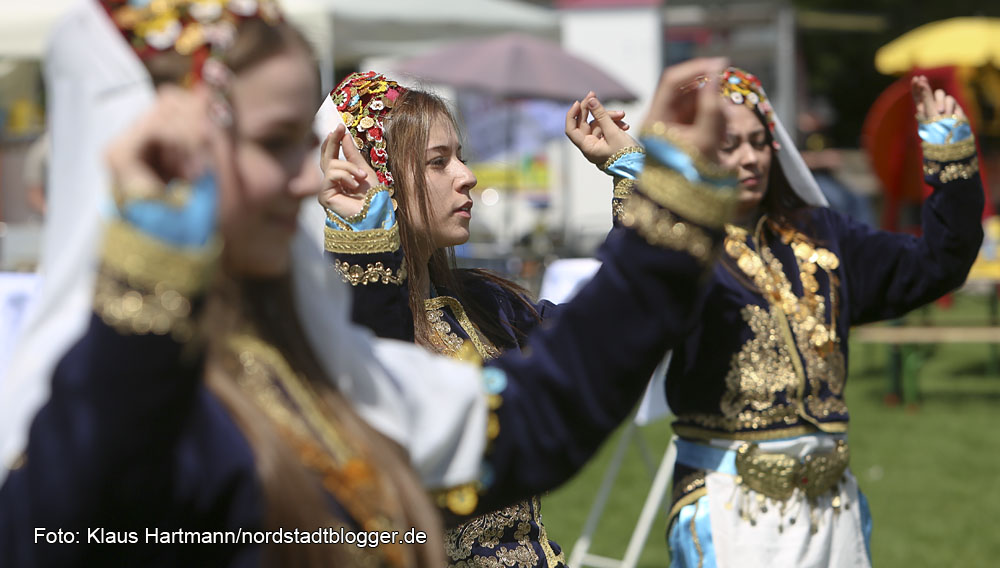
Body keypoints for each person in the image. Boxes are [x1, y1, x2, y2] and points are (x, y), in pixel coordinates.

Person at [0, 1, 743, 565]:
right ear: (155, 155)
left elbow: (539, 414)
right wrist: (147, 291)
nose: (307, 180)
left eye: (304, 143)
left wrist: (667, 208)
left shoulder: (319, 371)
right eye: (274, 143)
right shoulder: (101, 418)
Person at [572, 67, 983, 567]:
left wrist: (950, 158)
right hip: (730, 512)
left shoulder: (820, 235)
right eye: (728, 144)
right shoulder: (685, 247)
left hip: (833, 511)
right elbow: (636, 295)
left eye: (758, 141)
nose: (748, 157)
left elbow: (937, 265)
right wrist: (636, 169)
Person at [317, 73, 651, 567]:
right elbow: (383, 423)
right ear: (370, 177)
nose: (466, 175)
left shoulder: (487, 303)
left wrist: (639, 186)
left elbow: (606, 338)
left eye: (461, 157)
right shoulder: (334, 325)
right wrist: (367, 258)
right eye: (438, 161)